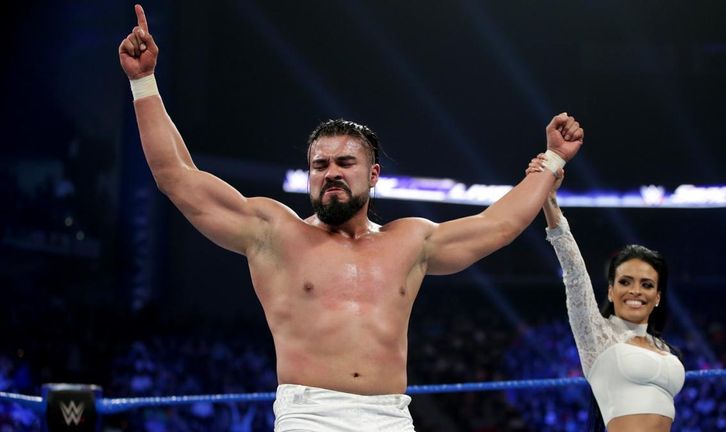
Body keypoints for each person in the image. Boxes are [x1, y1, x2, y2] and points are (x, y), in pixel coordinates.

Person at [119, 4, 584, 430]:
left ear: (373, 173)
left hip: (389, 417)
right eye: (320, 166)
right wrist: (144, 83)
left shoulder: (411, 242)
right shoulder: (273, 232)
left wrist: (553, 160)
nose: (331, 174)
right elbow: (176, 176)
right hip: (309, 416)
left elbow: (498, 225)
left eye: (345, 163)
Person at [527, 156, 685, 432]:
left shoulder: (666, 349)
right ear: (611, 291)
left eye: (647, 284)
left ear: (658, 296)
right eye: (626, 282)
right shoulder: (598, 335)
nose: (636, 291)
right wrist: (548, 197)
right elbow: (574, 272)